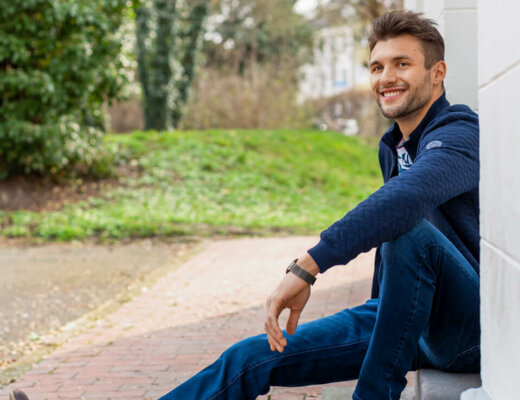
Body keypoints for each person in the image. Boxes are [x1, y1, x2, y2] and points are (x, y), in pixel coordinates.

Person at [9, 10, 480, 400]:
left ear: (437, 73)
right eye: (376, 67)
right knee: (248, 358)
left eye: (402, 64)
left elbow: (407, 200)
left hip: (463, 330)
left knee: (408, 227)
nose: (386, 77)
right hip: (400, 314)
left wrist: (307, 266)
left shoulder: (461, 134)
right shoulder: (393, 146)